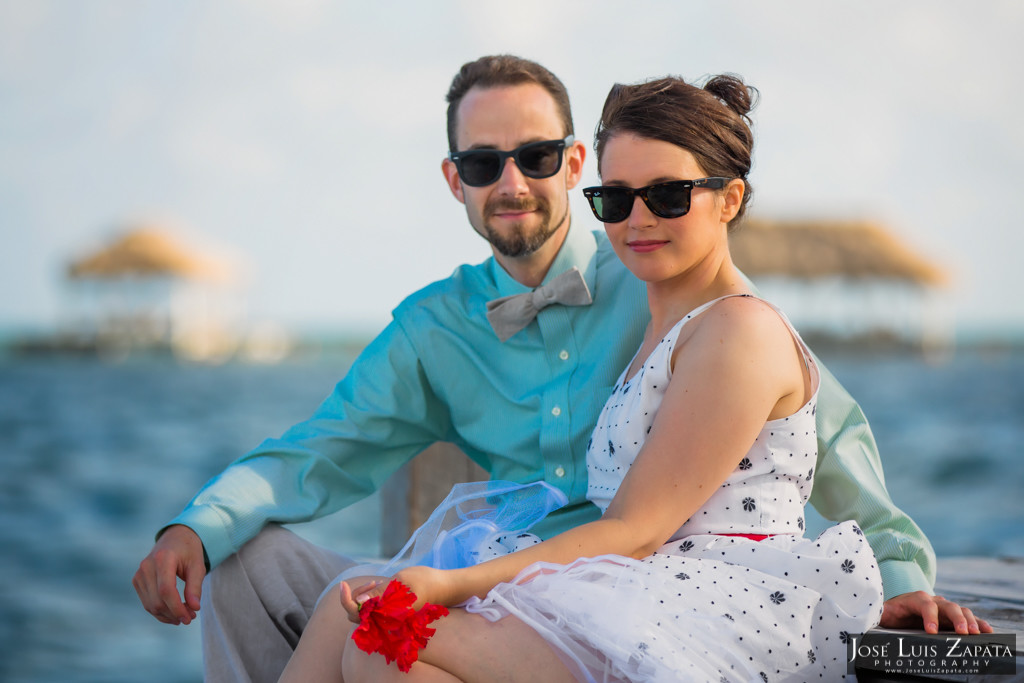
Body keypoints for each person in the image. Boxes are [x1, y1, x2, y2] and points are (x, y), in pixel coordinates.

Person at [132, 55, 988, 683]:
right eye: (482, 164)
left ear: (572, 163)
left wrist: (903, 578)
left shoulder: (668, 280)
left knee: (374, 621)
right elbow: (323, 448)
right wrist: (195, 524)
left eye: (536, 156)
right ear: (454, 181)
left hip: (639, 592)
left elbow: (820, 433)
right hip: (526, 576)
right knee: (248, 560)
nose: (512, 181)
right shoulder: (435, 326)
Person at [280, 71, 886, 683]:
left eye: (669, 195)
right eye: (617, 199)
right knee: (354, 608)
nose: (639, 219)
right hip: (638, 589)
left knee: (386, 643)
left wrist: (453, 583)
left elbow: (638, 528)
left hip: (710, 612)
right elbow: (331, 439)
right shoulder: (666, 326)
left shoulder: (738, 332)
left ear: (728, 200)